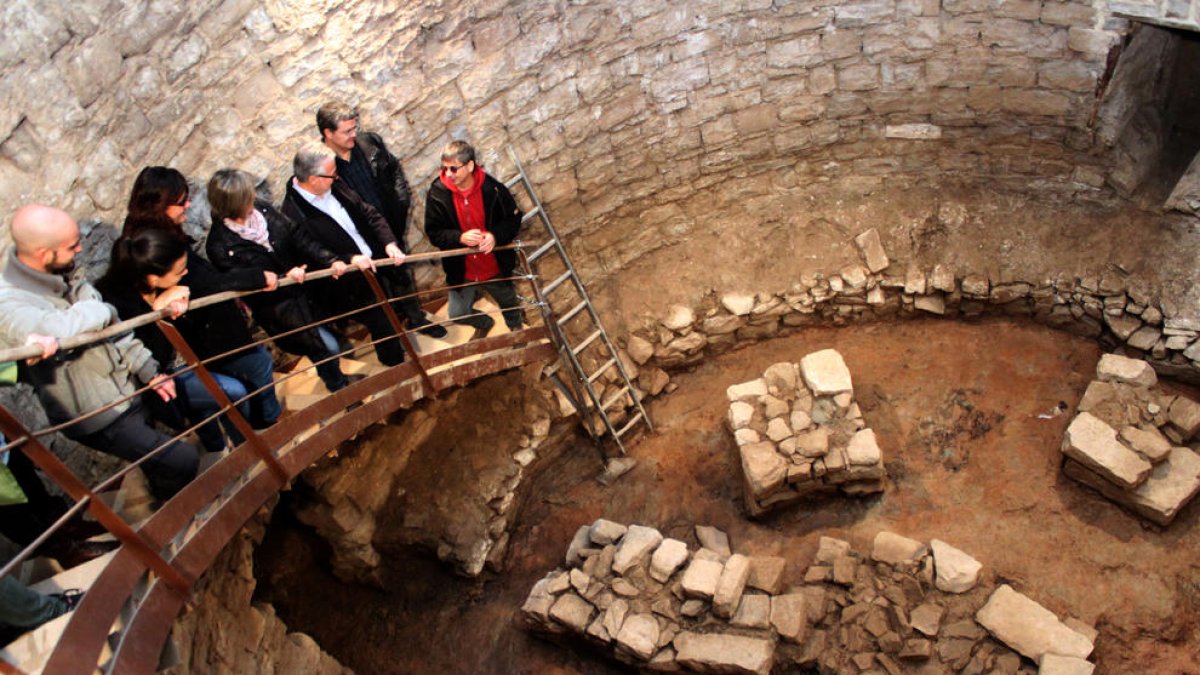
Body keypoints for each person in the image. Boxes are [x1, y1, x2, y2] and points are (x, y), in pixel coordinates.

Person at [0, 205, 199, 500]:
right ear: (44, 253)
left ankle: (166, 496)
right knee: (182, 459)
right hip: (96, 413)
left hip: (124, 390)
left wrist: (151, 373)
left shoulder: (63, 275)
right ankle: (175, 510)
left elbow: (115, 331)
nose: (80, 248)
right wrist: (103, 309)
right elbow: (60, 327)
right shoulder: (9, 302)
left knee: (157, 455)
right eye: (71, 245)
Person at [121, 167, 281, 441]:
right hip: (204, 335)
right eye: (181, 201)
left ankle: (253, 436)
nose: (189, 205)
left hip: (209, 330)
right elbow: (203, 282)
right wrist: (255, 277)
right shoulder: (154, 247)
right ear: (159, 205)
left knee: (244, 380)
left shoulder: (157, 236)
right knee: (256, 368)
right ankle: (264, 430)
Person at [96, 228, 272, 453]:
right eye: (180, 271)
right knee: (233, 391)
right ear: (152, 277)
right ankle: (244, 448)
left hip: (187, 360)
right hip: (157, 379)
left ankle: (230, 447)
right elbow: (142, 355)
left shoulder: (162, 284)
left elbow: (208, 286)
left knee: (210, 405)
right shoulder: (117, 305)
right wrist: (157, 311)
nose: (186, 272)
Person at [205, 168, 360, 392]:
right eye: (247, 197)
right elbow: (245, 282)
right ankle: (340, 390)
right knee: (326, 348)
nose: (253, 199)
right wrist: (282, 278)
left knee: (330, 345)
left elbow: (297, 235)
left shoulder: (262, 210)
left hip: (306, 293)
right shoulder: (220, 246)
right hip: (281, 309)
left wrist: (331, 259)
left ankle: (340, 383)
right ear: (233, 204)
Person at [280, 144, 420, 366]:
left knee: (388, 314)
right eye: (331, 174)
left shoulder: (332, 185)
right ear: (313, 178)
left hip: (373, 263)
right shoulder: (292, 216)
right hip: (349, 283)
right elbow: (313, 255)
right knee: (383, 321)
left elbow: (367, 212)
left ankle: (396, 352)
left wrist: (389, 243)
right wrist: (349, 259)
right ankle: (396, 365)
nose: (336, 177)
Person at [317, 102, 445, 339]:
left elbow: (394, 169)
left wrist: (401, 201)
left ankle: (416, 318)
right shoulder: (322, 166)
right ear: (328, 133)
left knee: (402, 274)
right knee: (377, 288)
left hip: (390, 227)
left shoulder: (368, 143)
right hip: (360, 241)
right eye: (347, 131)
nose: (354, 134)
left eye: (354, 128)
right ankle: (393, 332)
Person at [424, 140, 526, 337]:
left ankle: (516, 329)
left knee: (508, 301)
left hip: (492, 265)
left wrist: (495, 236)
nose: (448, 174)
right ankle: (485, 323)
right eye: (444, 169)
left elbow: (513, 220)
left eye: (453, 169)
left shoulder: (493, 189)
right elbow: (434, 232)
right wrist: (459, 237)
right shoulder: (437, 193)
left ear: (470, 165)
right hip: (461, 269)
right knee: (457, 313)